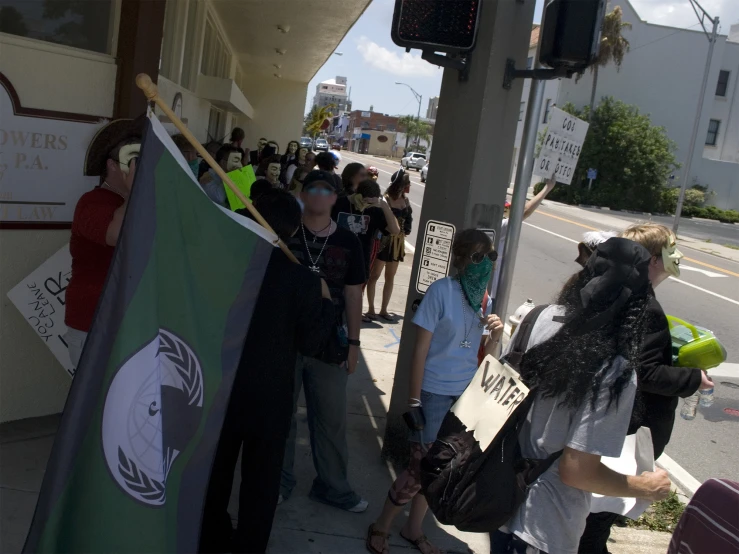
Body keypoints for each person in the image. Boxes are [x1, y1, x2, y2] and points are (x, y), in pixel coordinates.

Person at [491, 237, 672, 554]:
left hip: (496, 498)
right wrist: (644, 487)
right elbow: (577, 471)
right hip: (545, 526)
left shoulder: (537, 318)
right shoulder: (614, 370)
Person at [200, 189, 335, 554]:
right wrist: (324, 302)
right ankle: (249, 545)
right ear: (292, 229)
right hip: (271, 397)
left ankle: (211, 539)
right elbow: (311, 344)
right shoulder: (303, 281)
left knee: (216, 473)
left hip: (221, 388)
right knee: (261, 482)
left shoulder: (222, 266)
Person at [366, 229, 505, 554]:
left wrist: (495, 335)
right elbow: (419, 352)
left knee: (442, 471)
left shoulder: (482, 298)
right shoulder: (441, 292)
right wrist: (414, 401)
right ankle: (382, 525)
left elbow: (480, 352)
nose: (485, 264)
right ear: (461, 259)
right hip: (433, 396)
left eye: (491, 257)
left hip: (463, 399)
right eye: (478, 257)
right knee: (419, 470)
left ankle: (414, 529)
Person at [578, 223, 712, 554]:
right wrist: (694, 379)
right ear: (653, 258)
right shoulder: (645, 308)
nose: (678, 255)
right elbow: (645, 372)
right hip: (625, 432)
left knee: (591, 519)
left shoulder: (614, 294)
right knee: (596, 521)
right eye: (672, 248)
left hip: (602, 423)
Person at [280, 170, 369, 513]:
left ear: (335, 198)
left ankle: (333, 488)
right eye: (311, 188)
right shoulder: (284, 234)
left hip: (330, 344)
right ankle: (279, 481)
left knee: (330, 420)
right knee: (281, 415)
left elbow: (352, 294)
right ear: (302, 194)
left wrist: (355, 344)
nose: (318, 194)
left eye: (325, 189)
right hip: (284, 339)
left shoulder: (348, 242)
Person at [64, 117, 143, 367]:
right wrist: (133, 192)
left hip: (127, 321)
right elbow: (116, 235)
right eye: (132, 161)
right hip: (93, 323)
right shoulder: (92, 202)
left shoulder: (143, 204)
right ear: (112, 165)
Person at [490, 176, 556, 309]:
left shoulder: (491, 227)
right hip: (491, 292)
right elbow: (524, 212)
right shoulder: (499, 228)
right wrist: (547, 188)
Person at [365, 169, 412, 322]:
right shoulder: (385, 199)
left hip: (398, 243)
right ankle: (371, 309)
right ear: (401, 184)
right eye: (407, 183)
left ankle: (384, 309)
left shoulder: (406, 201)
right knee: (374, 276)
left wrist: (405, 230)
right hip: (384, 242)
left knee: (390, 277)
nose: (409, 185)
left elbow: (409, 222)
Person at [331, 179, 400, 283]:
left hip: (360, 262)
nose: (364, 205)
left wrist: (384, 206)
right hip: (334, 258)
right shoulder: (339, 203)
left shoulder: (374, 210)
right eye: (363, 201)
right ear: (357, 194)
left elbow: (395, 230)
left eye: (368, 203)